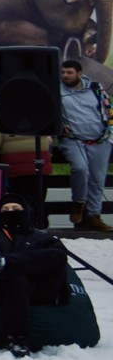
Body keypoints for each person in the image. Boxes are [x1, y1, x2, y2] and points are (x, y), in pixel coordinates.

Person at [0, 201, 73, 356]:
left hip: (40, 288)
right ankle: (16, 339)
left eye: (15, 208)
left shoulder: (41, 237)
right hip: (1, 289)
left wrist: (8, 263)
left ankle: (5, 264)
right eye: (5, 209)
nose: (10, 211)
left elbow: (58, 256)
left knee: (56, 255)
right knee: (18, 281)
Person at [60, 56, 111, 232]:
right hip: (74, 140)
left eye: (69, 72)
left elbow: (107, 110)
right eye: (63, 72)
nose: (65, 75)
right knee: (81, 169)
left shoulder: (95, 89)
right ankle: (79, 203)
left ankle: (94, 217)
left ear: (79, 74)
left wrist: (109, 132)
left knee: (97, 179)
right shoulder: (56, 91)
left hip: (100, 140)